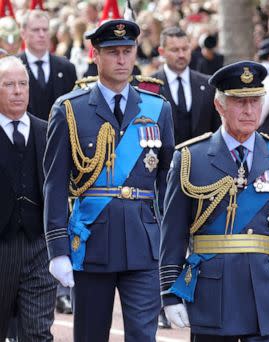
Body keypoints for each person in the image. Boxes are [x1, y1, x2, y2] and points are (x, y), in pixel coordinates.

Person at [43, 19, 175, 341]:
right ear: (95, 55)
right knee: (90, 334)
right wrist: (58, 249)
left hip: (144, 243)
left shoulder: (157, 109)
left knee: (144, 336)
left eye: (127, 51)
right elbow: (55, 183)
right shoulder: (70, 110)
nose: (121, 59)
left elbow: (169, 184)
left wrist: (171, 246)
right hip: (92, 243)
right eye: (112, 52)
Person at [160, 60, 269, 341]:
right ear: (220, 106)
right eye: (240, 102)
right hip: (214, 297)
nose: (249, 110)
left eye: (255, 101)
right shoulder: (190, 159)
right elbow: (173, 234)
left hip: (268, 296)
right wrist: (169, 292)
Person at [0, 56, 55, 341]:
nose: (18, 91)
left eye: (22, 84)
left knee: (38, 332)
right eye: (9, 85)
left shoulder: (46, 131)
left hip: (38, 247)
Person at [153, 26, 220, 146]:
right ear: (161, 52)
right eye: (175, 50)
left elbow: (216, 130)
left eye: (185, 49)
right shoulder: (149, 86)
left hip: (201, 160)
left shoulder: (208, 85)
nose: (181, 55)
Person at [18, 9, 77, 121]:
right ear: (23, 33)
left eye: (45, 29)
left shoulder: (66, 67)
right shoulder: (12, 67)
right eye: (35, 30)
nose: (41, 34)